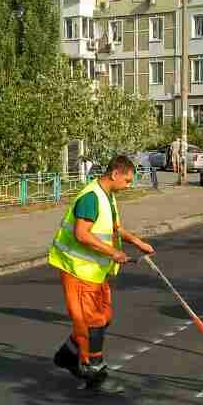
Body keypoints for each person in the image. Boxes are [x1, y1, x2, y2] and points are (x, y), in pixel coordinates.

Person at [48, 154, 155, 390]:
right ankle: (92, 372)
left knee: (103, 319)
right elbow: (81, 234)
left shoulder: (108, 195)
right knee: (90, 323)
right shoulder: (90, 198)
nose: (129, 185)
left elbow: (115, 228)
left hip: (95, 271)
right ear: (115, 174)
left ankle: (67, 356)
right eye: (127, 181)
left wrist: (137, 242)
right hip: (78, 270)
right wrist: (113, 252)